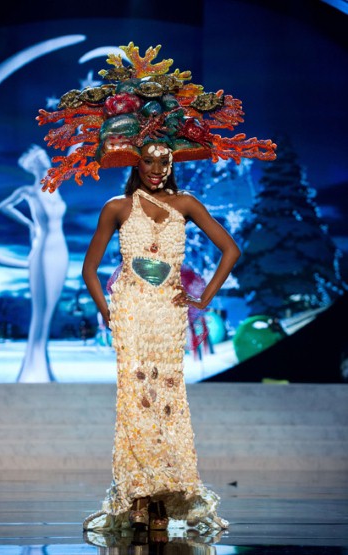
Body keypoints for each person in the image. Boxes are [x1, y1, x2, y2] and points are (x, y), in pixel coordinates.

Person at [37, 42, 276, 538]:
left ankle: (167, 492)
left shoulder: (187, 202)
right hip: (131, 310)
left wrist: (204, 297)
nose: (157, 166)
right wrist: (106, 310)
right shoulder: (116, 207)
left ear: (172, 160)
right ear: (135, 160)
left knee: (167, 396)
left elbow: (230, 250)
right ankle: (138, 496)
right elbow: (88, 268)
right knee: (133, 397)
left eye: (164, 159)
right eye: (149, 159)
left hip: (167, 311)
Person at [0, 145, 69, 382]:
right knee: (42, 308)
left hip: (61, 251)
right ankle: (33, 368)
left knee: (50, 307)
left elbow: (72, 156)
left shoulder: (54, 187)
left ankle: (41, 365)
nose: (49, 160)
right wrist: (29, 224)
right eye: (44, 158)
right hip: (43, 250)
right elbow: (3, 206)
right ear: (36, 164)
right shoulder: (29, 191)